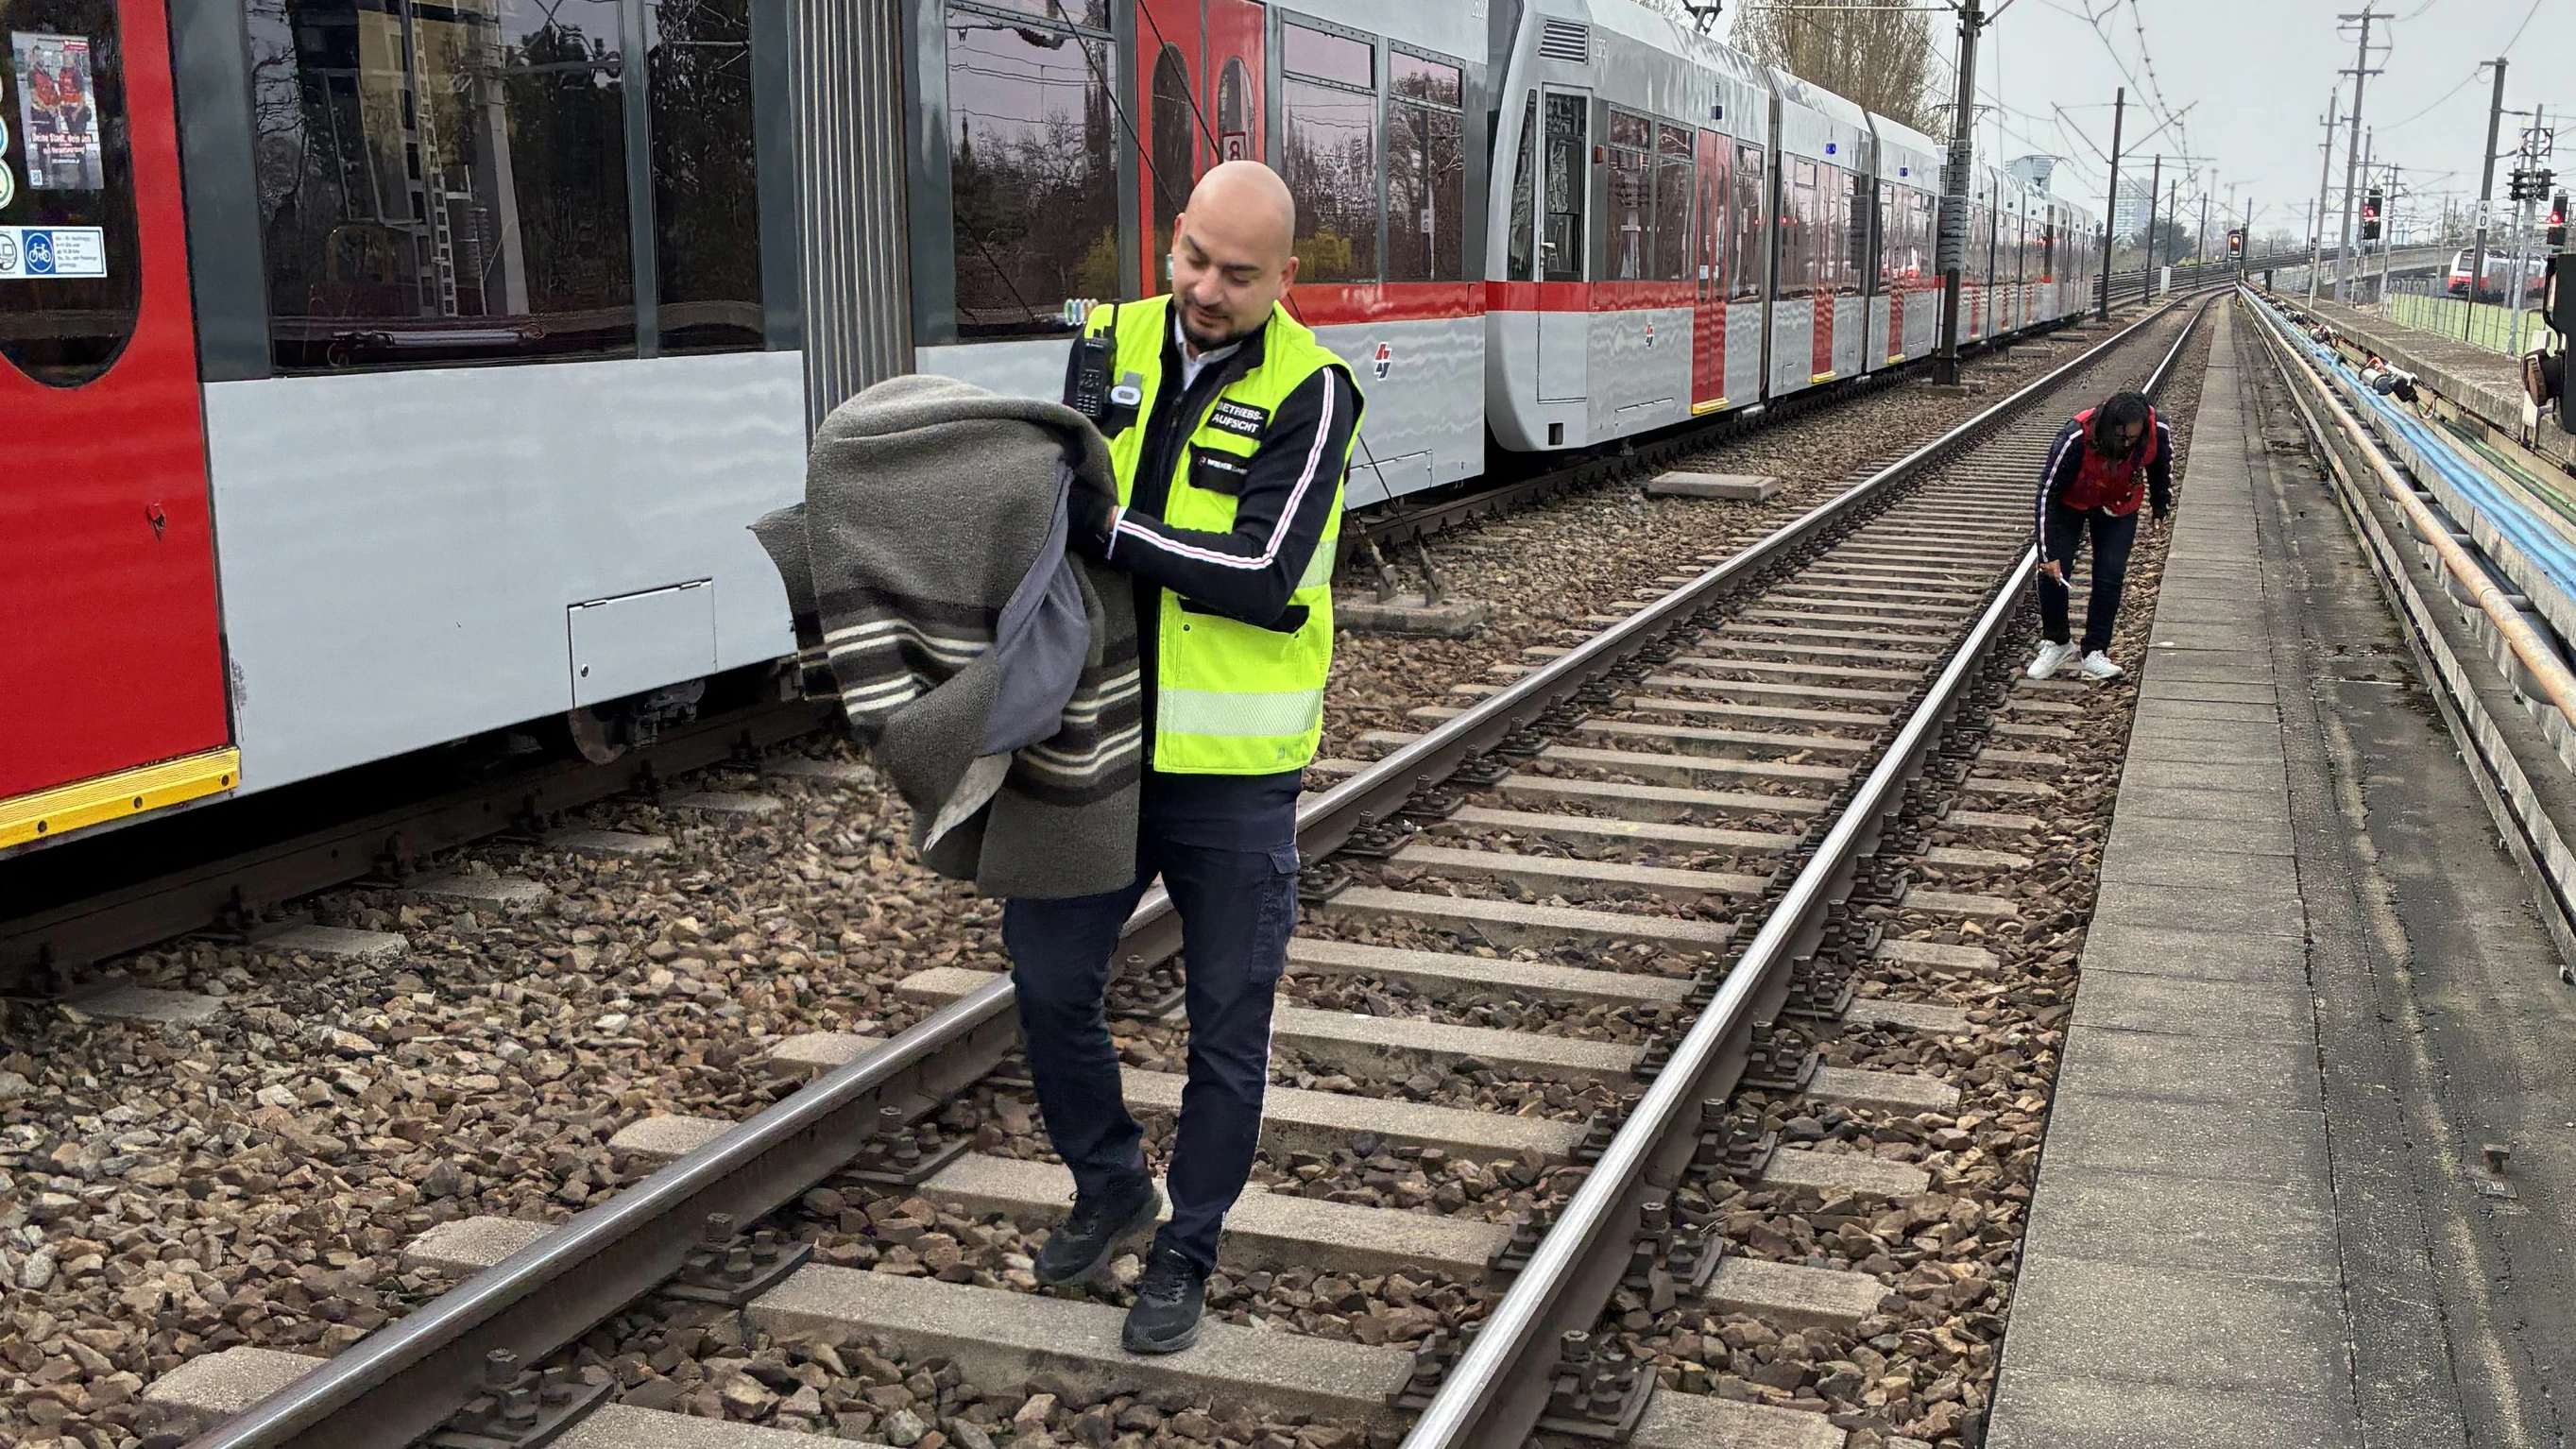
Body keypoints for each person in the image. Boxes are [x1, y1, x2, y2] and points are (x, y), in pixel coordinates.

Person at [1006, 160, 1362, 1355]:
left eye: (1238, 275)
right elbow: (1044, 499)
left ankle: (1186, 1251)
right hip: (1096, 738)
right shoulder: (1104, 342)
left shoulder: (1315, 391)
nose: (1206, 289)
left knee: (1226, 1031)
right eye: (1193, 258)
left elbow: (1264, 575)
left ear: (1286, 278)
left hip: (1232, 776)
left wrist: (1110, 531)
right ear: (1174, 239)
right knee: (1047, 979)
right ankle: (1111, 1183)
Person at [2026, 389, 2172, 681]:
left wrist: (2160, 506)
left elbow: (2160, 466)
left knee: (2110, 577)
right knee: (2053, 571)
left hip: (2119, 505)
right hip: (2070, 503)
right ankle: (2057, 641)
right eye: (2121, 437)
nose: (2126, 444)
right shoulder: (2074, 437)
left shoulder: (2157, 430)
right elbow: (2047, 493)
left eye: (2133, 439)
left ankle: (2095, 650)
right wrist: (2047, 552)